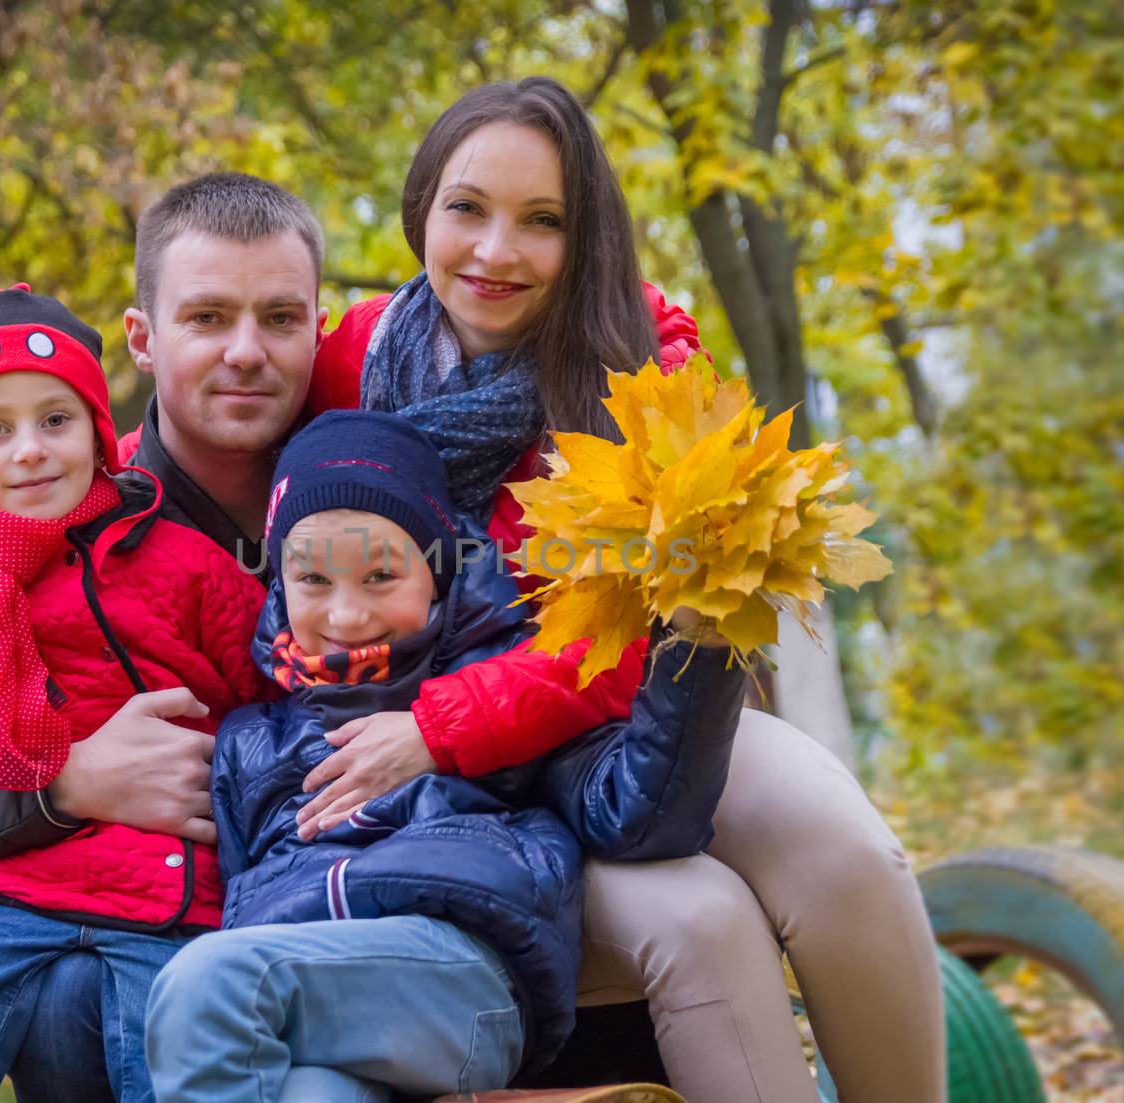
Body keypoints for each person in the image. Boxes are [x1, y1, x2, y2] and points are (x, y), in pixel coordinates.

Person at [298, 77, 946, 1103]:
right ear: (421, 205)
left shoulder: (641, 362)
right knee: (701, 919)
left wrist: (440, 724)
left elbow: (628, 642)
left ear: (585, 235)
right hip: (453, 770)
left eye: (542, 221)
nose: (495, 251)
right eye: (467, 208)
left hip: (621, 723)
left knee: (846, 848)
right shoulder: (343, 361)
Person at [0, 175, 329, 1102]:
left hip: (172, 895)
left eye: (55, 422)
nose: (29, 451)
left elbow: (280, 694)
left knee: (171, 1062)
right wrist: (67, 781)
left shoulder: (176, 561)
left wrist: (234, 785)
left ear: (98, 436)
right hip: (22, 897)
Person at [143, 410, 745, 1102]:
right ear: (279, 580)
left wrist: (700, 645)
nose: (344, 615)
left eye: (379, 576)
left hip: (460, 978)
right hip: (300, 989)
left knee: (209, 982)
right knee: (311, 1092)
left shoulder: (501, 699)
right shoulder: (250, 741)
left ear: (439, 574)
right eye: (312, 578)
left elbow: (641, 812)